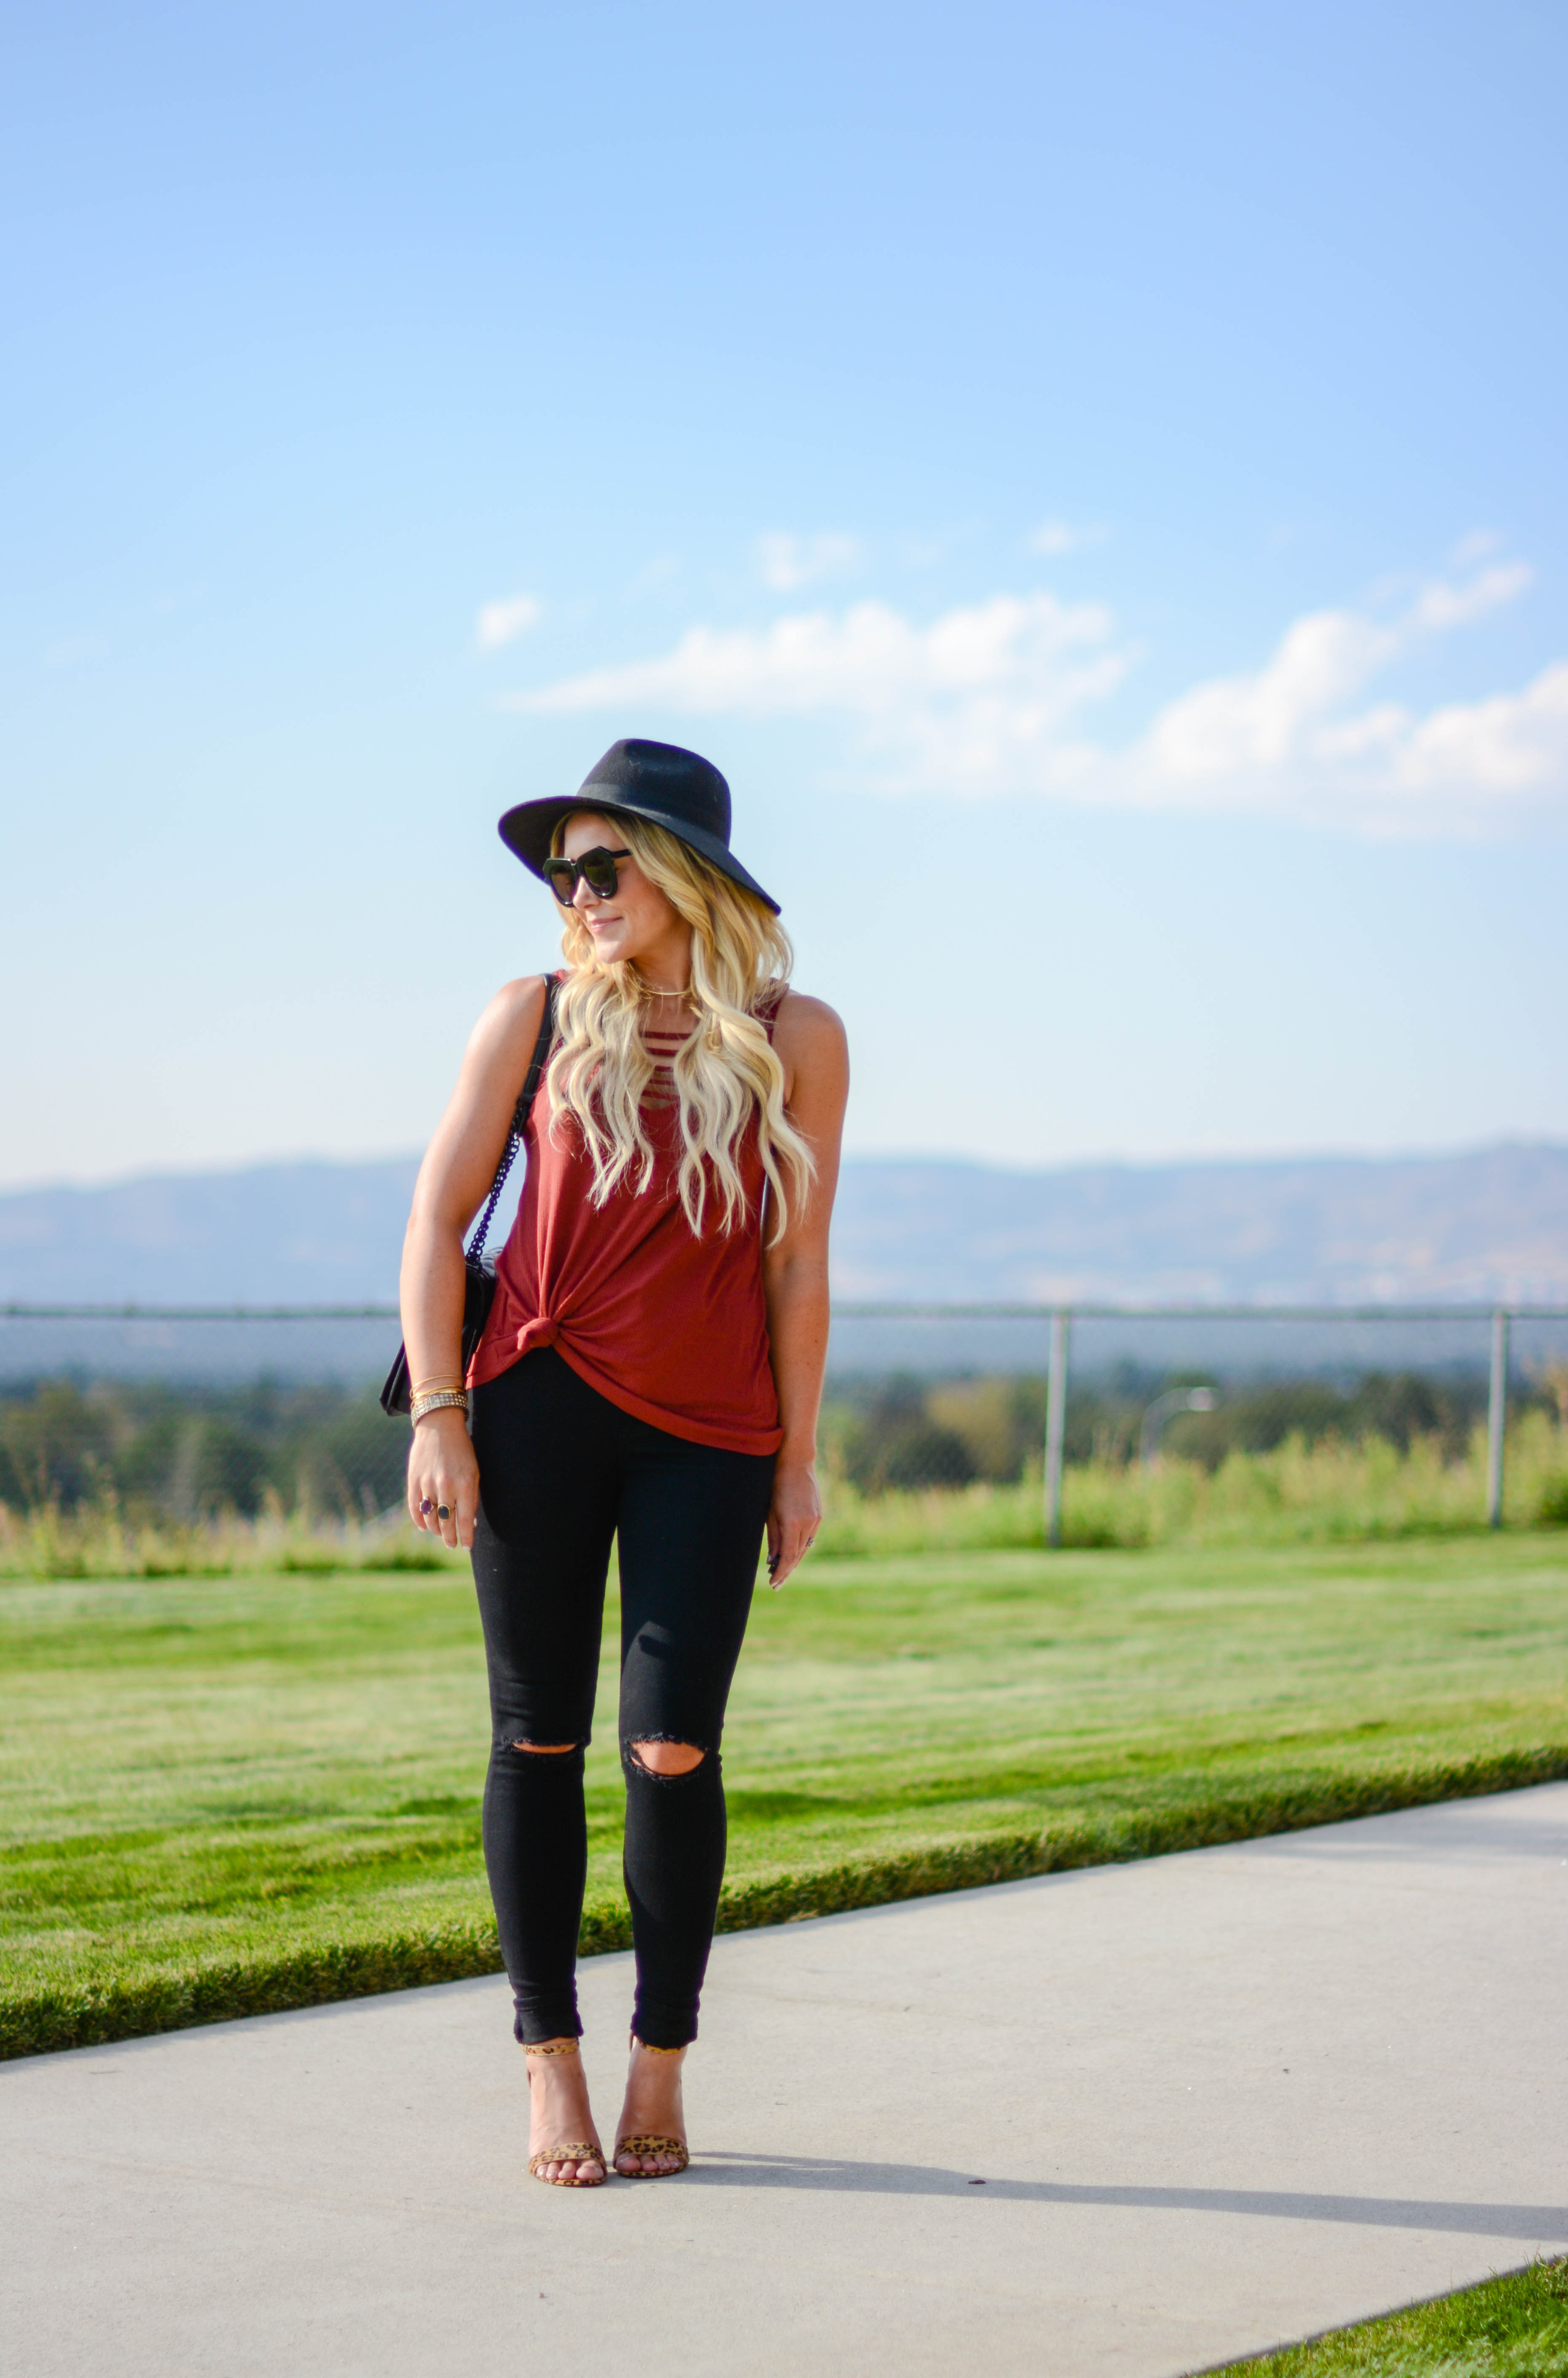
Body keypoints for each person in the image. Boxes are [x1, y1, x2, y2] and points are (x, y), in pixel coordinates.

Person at [397, 738, 848, 2188]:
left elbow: (797, 1266)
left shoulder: (796, 1035)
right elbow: (435, 1220)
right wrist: (440, 1412)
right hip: (533, 1412)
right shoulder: (529, 1016)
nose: (578, 893)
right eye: (563, 873)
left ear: (687, 877)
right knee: (538, 1736)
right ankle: (550, 2065)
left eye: (606, 866)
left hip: (710, 1439)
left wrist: (798, 1459)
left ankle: (662, 2056)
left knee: (673, 1746)